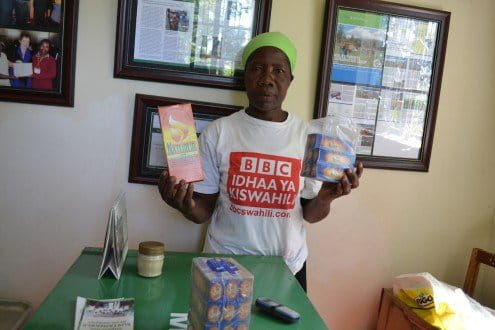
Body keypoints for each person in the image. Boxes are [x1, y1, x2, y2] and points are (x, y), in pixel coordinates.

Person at [158, 32, 363, 291]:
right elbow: (203, 212)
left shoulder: (309, 137)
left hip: (287, 268)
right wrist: (182, 205)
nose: (267, 79)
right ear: (246, 77)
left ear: (290, 79)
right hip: (224, 266)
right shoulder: (219, 132)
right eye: (257, 69)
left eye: (278, 70)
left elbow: (310, 214)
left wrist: (325, 197)